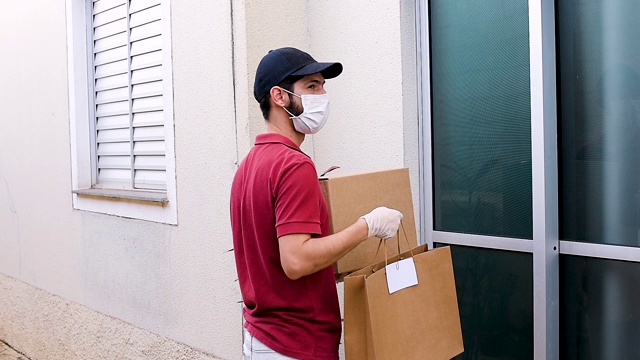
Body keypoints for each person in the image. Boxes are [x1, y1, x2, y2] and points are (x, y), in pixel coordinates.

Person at [230, 47, 404, 360]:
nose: (322, 94)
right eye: (311, 86)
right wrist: (369, 225)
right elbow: (296, 261)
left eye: (323, 85)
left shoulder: (249, 165)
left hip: (262, 340)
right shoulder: (294, 166)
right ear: (279, 97)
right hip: (297, 344)